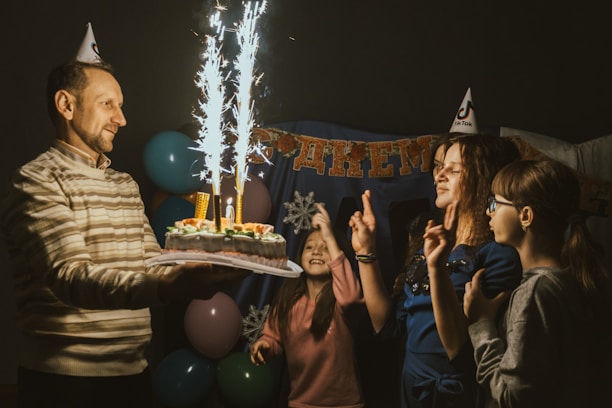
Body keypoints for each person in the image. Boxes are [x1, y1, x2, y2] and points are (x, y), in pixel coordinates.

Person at [0, 30, 250, 407]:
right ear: (66, 105)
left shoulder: (124, 185)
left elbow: (150, 265)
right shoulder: (35, 180)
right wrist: (168, 288)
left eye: (120, 105)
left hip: (134, 378)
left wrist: (201, 266)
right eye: (107, 104)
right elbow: (71, 277)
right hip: (64, 384)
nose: (122, 118)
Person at [350, 134, 524, 408]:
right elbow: (388, 327)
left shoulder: (497, 257)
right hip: (411, 394)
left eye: (454, 169)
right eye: (439, 166)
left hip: (454, 398)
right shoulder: (427, 248)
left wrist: (437, 268)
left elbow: (462, 352)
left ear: (483, 178)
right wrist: (365, 252)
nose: (440, 175)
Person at [462, 159, 612, 407]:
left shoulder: (536, 292)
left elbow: (514, 398)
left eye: (495, 203)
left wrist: (482, 325)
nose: (488, 211)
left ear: (526, 215)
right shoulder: (573, 277)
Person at [250, 203, 367, 408]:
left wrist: (330, 235)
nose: (317, 253)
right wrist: (266, 345)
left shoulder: (341, 302)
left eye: (325, 248)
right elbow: (273, 336)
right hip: (301, 402)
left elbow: (351, 298)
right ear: (300, 255)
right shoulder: (288, 300)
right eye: (310, 247)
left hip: (346, 404)